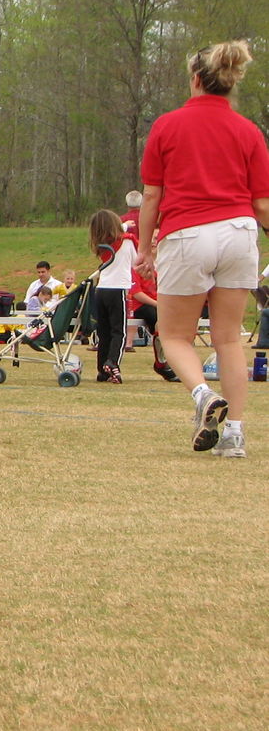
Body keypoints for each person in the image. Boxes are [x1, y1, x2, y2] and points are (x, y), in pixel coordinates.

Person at [136, 39, 269, 458]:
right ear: (230, 84)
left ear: (196, 79)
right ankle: (234, 435)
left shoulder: (168, 125)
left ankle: (202, 396)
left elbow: (152, 197)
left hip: (188, 233)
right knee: (229, 339)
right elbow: (263, 204)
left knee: (174, 334)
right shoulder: (249, 131)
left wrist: (144, 249)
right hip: (239, 231)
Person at [87, 209, 137, 384]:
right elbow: (136, 262)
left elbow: (113, 236)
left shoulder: (101, 246)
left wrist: (124, 226)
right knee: (119, 332)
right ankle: (113, 362)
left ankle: (102, 370)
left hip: (101, 289)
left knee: (104, 332)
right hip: (118, 289)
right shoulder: (127, 242)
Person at [129, 264, 178, 381]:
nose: (153, 245)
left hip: (159, 303)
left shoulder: (162, 265)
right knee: (161, 320)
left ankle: (176, 361)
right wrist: (158, 304)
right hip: (140, 306)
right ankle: (161, 363)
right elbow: (137, 294)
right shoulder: (135, 268)